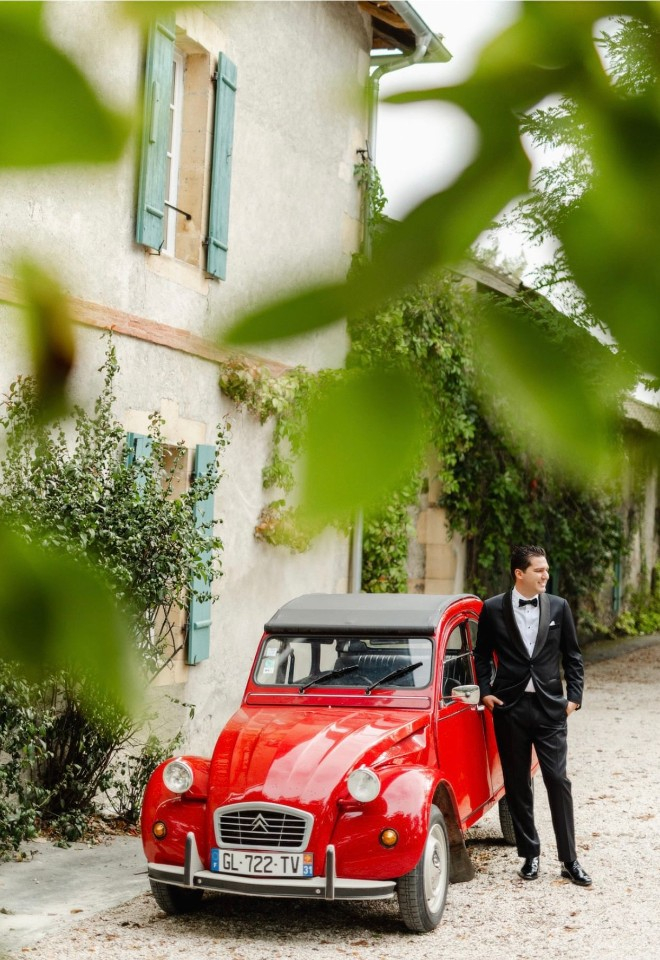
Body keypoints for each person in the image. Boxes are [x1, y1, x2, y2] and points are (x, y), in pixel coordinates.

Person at [474, 544, 592, 887]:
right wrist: (485, 691)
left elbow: (573, 656)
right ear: (519, 573)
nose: (546, 575)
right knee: (517, 783)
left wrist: (573, 699)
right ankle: (530, 853)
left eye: (547, 569)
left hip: (550, 708)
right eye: (539, 570)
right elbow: (481, 655)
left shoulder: (559, 606)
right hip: (509, 707)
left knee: (557, 779)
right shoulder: (492, 608)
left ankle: (569, 859)